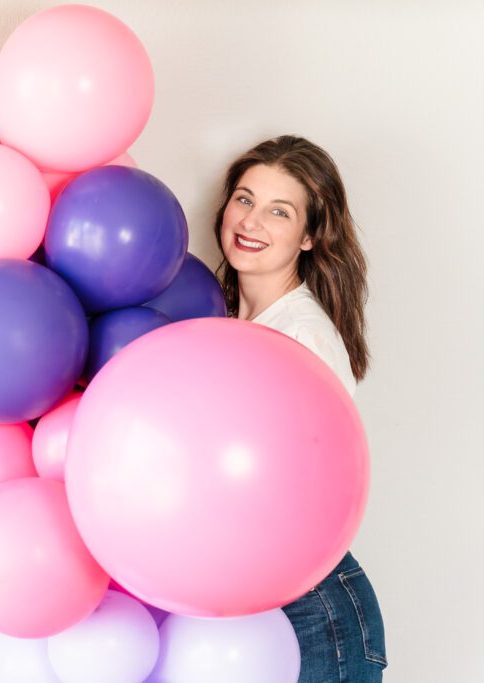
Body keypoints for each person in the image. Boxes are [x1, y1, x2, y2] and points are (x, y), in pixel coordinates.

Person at [212, 135, 388, 682]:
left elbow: (299, 489)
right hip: (253, 603)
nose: (252, 221)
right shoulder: (223, 323)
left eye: (278, 211)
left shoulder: (301, 337)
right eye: (245, 199)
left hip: (315, 613)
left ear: (310, 236)